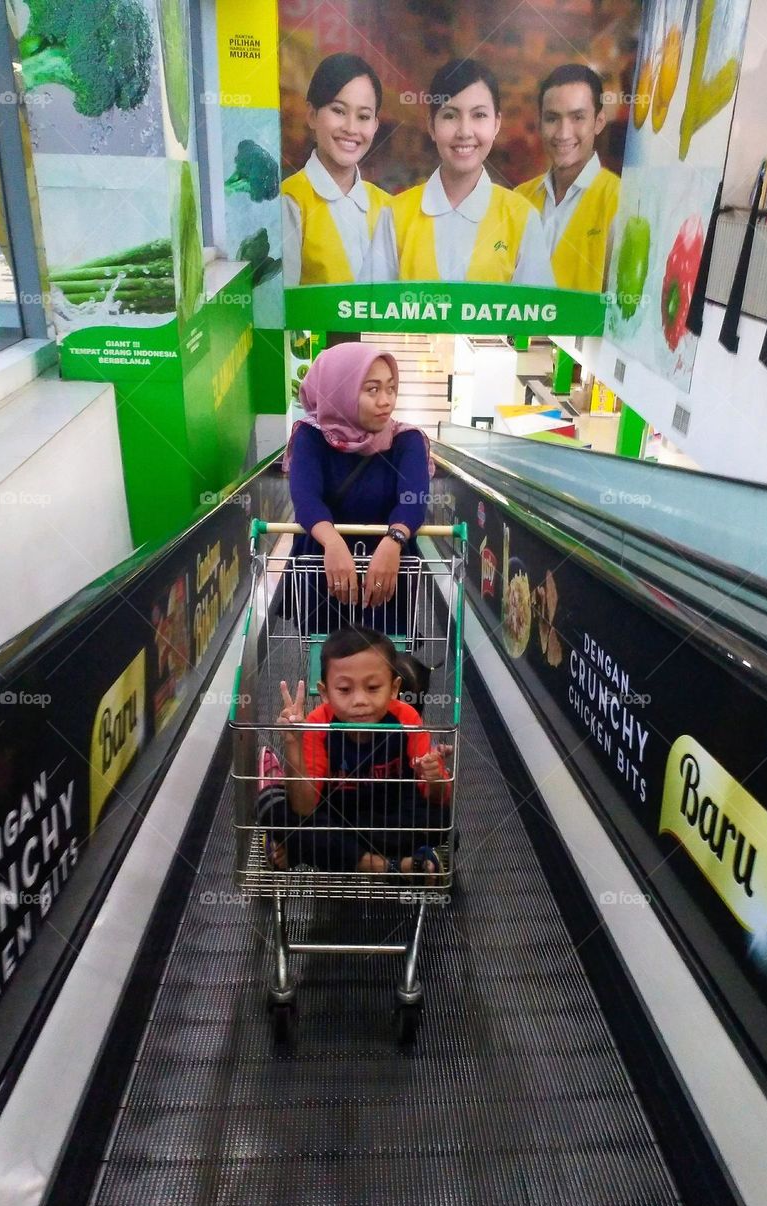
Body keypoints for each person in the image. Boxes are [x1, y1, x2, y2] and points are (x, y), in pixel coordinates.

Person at [257, 626, 451, 875]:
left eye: (372, 688)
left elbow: (438, 797)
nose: (360, 700)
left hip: (388, 817)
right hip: (337, 816)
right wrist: (293, 743)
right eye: (345, 690)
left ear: (393, 689)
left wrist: (434, 779)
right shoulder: (318, 723)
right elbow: (304, 808)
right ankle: (393, 866)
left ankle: (301, 849)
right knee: (271, 807)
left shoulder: (406, 718)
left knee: (443, 822)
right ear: (325, 692)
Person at [361, 59, 554, 287]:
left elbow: (536, 316)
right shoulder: (395, 216)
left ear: (496, 124)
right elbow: (370, 313)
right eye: (450, 116)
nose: (464, 132)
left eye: (479, 115)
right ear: (432, 126)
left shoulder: (521, 218)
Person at [284, 342, 433, 634]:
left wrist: (393, 542)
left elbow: (413, 501)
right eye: (372, 389)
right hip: (323, 569)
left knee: (385, 662)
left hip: (389, 573)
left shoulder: (406, 441)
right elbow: (306, 498)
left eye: (391, 388)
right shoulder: (311, 437)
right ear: (341, 389)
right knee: (328, 660)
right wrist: (333, 544)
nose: (385, 401)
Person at [282, 53, 391, 287]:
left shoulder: (388, 207)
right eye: (339, 111)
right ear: (311, 115)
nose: (351, 128)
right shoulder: (290, 200)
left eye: (363, 116)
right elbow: (281, 310)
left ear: (375, 126)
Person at [515, 64, 620, 292]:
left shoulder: (620, 201)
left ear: (599, 122)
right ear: (540, 123)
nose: (563, 133)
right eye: (552, 118)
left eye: (577, 117)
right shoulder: (518, 199)